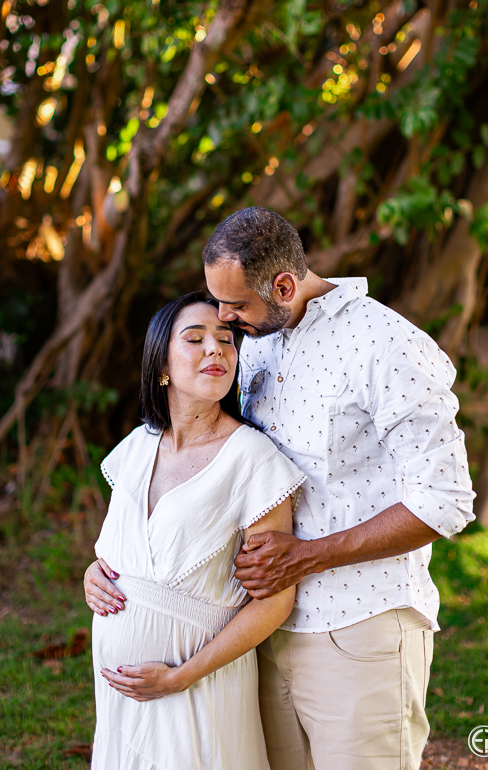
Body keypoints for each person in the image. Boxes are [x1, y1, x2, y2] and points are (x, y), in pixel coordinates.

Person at [86, 207, 475, 770]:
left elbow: (445, 501)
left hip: (358, 627)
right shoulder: (257, 340)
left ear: (284, 287)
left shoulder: (386, 345)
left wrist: (308, 556)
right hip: (259, 637)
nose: (224, 323)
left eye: (235, 307)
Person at [85, 291, 306, 770]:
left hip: (199, 684)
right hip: (119, 691)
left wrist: (181, 676)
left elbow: (275, 601)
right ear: (162, 363)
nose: (216, 349)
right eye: (195, 338)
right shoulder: (138, 445)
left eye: (226, 340)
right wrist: (94, 574)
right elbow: (129, 553)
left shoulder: (252, 458)